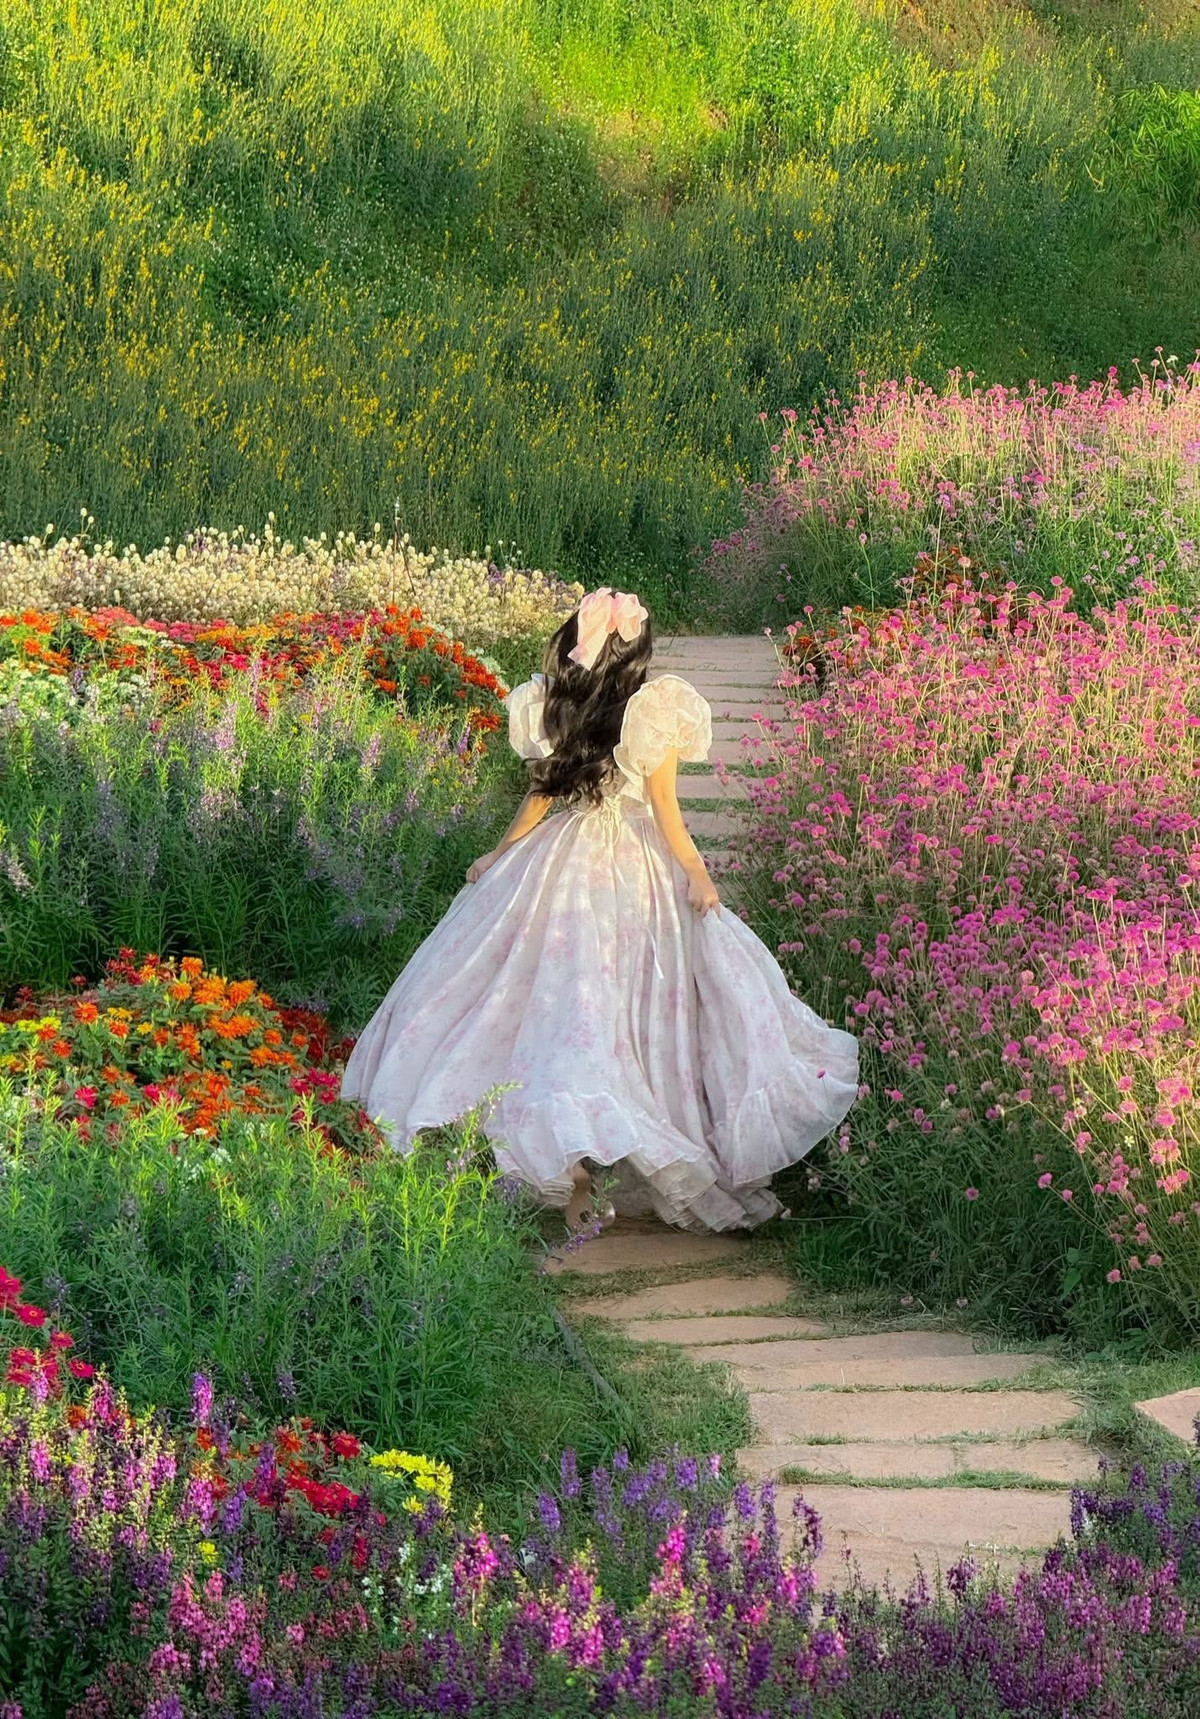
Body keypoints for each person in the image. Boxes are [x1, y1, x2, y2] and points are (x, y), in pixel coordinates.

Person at [340, 586, 858, 1233]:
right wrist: (697, 874)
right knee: (612, 1003)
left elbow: (539, 799)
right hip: (632, 868)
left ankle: (573, 1156)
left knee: (546, 998)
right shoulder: (652, 713)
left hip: (560, 858)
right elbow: (668, 813)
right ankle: (599, 1138)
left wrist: (499, 856)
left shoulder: (554, 709)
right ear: (636, 659)